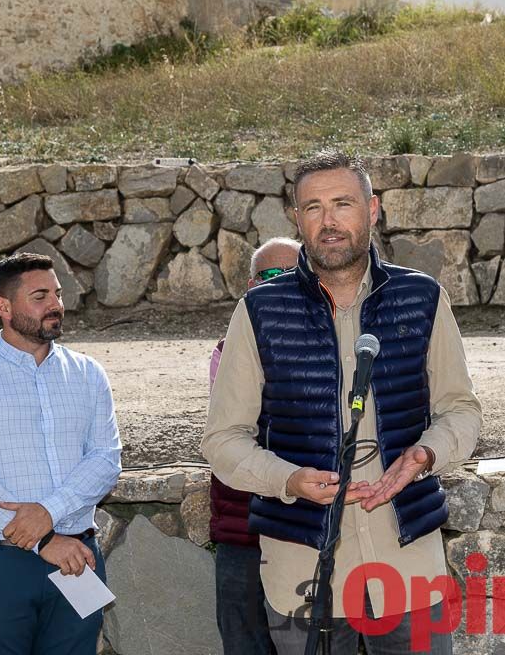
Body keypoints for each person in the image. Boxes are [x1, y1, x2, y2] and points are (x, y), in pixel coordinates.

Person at [202, 151, 482, 654]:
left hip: (408, 567)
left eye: (342, 203)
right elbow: (223, 440)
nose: (328, 221)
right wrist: (286, 479)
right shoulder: (260, 311)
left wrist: (425, 454)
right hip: (302, 572)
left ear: (372, 210)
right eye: (312, 207)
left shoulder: (421, 299)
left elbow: (460, 410)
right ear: (296, 218)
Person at [0, 252, 122, 655]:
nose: (55, 305)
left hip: (77, 558)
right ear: (4, 307)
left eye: (56, 294)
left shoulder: (89, 373)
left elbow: (106, 459)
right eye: (40, 296)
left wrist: (49, 514)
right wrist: (44, 540)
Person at [209, 237, 301, 655]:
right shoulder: (228, 353)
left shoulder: (343, 348)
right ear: (250, 285)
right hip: (242, 531)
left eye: (292, 273)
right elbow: (234, 437)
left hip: (305, 535)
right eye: (269, 275)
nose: (280, 282)